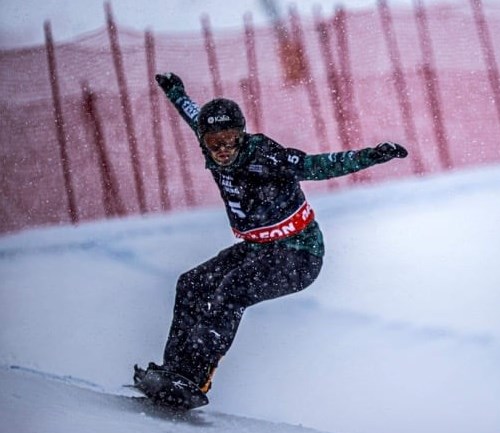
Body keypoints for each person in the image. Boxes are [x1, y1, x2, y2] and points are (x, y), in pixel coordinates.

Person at [133, 72, 408, 395]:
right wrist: (175, 90)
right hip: (259, 248)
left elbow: (318, 165)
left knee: (231, 289)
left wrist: (372, 155)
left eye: (230, 139)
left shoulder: (266, 155)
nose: (223, 150)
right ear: (204, 141)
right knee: (191, 284)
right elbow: (192, 114)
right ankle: (174, 370)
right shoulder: (210, 142)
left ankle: (193, 378)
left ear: (242, 134)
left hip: (299, 254)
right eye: (214, 143)